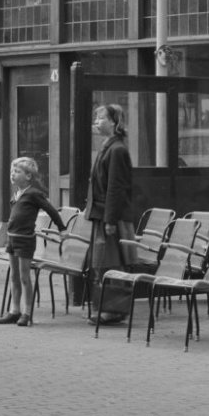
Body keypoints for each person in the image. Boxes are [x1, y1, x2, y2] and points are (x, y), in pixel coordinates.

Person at [0, 157, 66, 327]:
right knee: (14, 276)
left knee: (24, 276)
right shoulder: (16, 195)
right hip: (12, 239)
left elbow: (51, 210)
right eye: (12, 171)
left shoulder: (34, 194)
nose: (13, 174)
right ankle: (15, 311)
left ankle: (27, 313)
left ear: (28, 176)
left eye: (17, 171)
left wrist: (61, 228)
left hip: (25, 241)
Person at [85, 103, 136, 324]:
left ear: (114, 122)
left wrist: (110, 220)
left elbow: (116, 187)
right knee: (102, 263)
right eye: (96, 118)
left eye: (101, 118)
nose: (96, 122)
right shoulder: (109, 147)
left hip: (110, 218)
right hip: (102, 215)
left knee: (112, 263)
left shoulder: (117, 150)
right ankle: (105, 308)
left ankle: (114, 311)